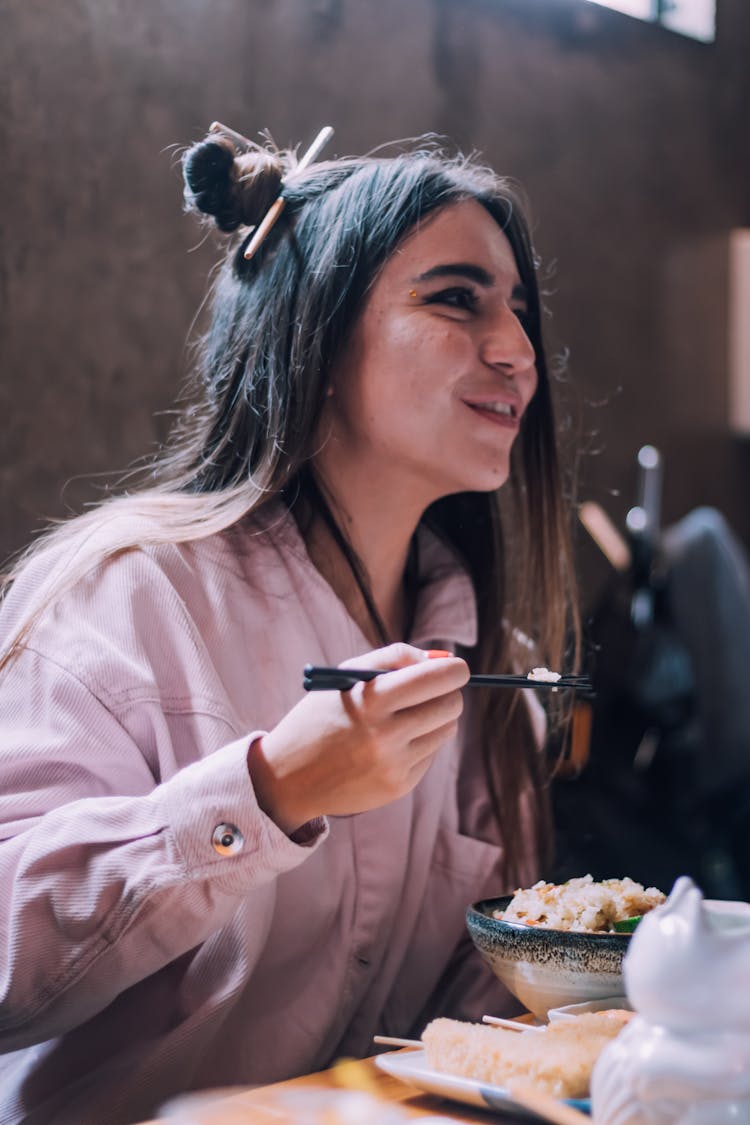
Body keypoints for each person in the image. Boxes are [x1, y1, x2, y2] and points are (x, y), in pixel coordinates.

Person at [0, 124, 579, 1124]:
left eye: (521, 311)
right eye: (456, 299)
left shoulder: (495, 679)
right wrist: (266, 794)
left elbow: (474, 1022)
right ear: (316, 324)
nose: (520, 353)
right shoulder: (127, 598)